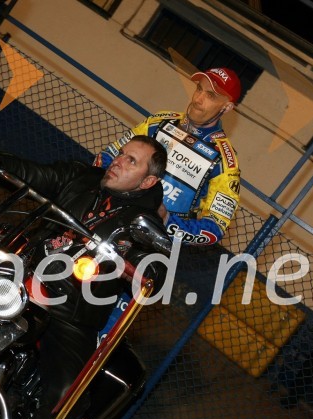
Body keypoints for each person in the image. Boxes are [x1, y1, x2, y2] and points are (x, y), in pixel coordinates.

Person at [0, 135, 168, 419]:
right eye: (122, 154)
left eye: (132, 162)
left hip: (69, 317)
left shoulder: (142, 222)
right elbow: (34, 173)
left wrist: (149, 252)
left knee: (69, 397)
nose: (119, 162)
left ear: (146, 183)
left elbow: (154, 268)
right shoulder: (80, 176)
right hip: (17, 279)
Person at [94, 67, 242, 342]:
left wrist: (167, 223)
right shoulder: (158, 123)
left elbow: (214, 229)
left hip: (144, 252)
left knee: (99, 333)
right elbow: (107, 157)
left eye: (211, 95)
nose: (199, 98)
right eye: (199, 89)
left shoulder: (224, 163)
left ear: (227, 107)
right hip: (102, 224)